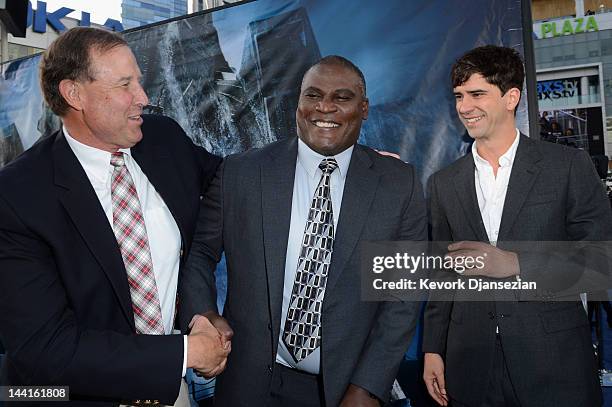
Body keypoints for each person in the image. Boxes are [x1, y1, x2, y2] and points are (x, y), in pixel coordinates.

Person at [179, 55, 427, 406]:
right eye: (312, 95)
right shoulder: (241, 173)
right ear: (298, 103)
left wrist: (368, 386)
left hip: (346, 390)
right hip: (248, 385)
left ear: (364, 108)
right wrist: (204, 314)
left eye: (342, 98)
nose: (324, 107)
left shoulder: (399, 185)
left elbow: (402, 296)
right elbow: (200, 254)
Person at [0, 27, 228, 405]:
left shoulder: (164, 141)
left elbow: (230, 186)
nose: (143, 97)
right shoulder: (18, 197)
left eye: (138, 81)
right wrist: (187, 353)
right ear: (74, 94)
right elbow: (45, 350)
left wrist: (199, 309)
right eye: (125, 84)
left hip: (173, 393)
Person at [422, 45, 612, 407]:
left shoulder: (567, 166)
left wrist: (517, 264)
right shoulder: (443, 183)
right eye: (459, 96)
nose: (464, 106)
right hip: (471, 363)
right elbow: (442, 275)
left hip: (553, 362)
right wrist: (433, 349)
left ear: (512, 97)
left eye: (477, 94)